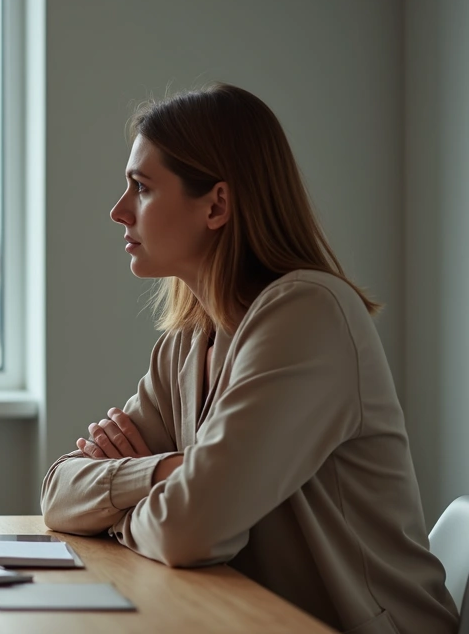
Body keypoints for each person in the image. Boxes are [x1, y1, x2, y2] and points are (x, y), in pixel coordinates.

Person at [40, 83, 457, 633]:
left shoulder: (308, 315)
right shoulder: (185, 346)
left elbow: (188, 533)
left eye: (141, 188)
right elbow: (58, 493)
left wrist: (127, 503)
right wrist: (167, 472)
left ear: (216, 204)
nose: (118, 211)